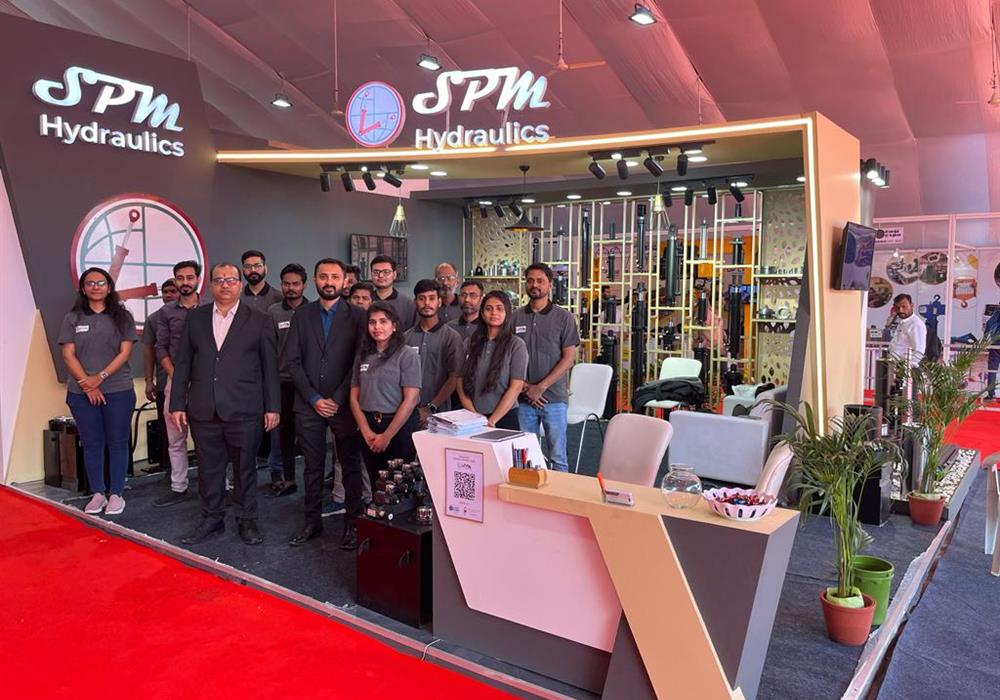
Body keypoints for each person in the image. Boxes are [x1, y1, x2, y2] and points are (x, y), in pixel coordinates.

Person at [169, 262, 280, 545]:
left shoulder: (259, 320)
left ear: (240, 285)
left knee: (245, 468)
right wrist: (177, 403)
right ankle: (212, 518)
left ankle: (247, 519)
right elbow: (183, 363)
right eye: (219, 280)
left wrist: (273, 407)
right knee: (208, 469)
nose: (225, 285)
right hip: (203, 407)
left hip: (245, 408)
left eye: (231, 280)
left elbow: (269, 367)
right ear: (210, 285)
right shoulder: (195, 318)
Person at [284, 258, 368, 549]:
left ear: (345, 281)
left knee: (350, 466)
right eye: (323, 276)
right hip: (308, 404)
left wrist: (337, 398)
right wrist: (314, 398)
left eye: (334, 276)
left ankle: (352, 524)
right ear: (315, 280)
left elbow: (359, 361)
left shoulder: (358, 316)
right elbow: (292, 361)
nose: (328, 282)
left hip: (344, 405)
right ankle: (312, 522)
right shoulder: (302, 314)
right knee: (312, 467)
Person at [58, 268, 138, 515]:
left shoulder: (122, 316)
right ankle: (97, 494)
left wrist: (99, 378)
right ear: (83, 289)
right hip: (81, 393)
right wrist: (87, 384)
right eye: (90, 283)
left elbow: (125, 353)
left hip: (118, 389)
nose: (95, 287)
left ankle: (116, 494)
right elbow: (68, 354)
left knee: (117, 442)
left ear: (109, 287)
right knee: (92, 443)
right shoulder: (73, 318)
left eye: (101, 283)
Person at [513, 263, 580, 472]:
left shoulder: (564, 318)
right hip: (523, 398)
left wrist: (540, 387)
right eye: (530, 280)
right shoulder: (515, 317)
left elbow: (569, 358)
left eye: (540, 281)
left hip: (554, 399)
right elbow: (508, 358)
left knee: (558, 457)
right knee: (526, 458)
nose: (535, 285)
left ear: (550, 285)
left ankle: (560, 493)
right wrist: (527, 388)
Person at [350, 302, 422, 491]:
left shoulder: (407, 354)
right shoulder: (363, 355)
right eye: (372, 322)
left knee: (398, 486)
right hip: (369, 427)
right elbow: (354, 397)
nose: (377, 327)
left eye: (383, 321)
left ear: (394, 325)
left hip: (398, 428)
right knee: (377, 483)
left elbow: (410, 400)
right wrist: (366, 431)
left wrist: (387, 436)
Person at [153, 260, 207, 508]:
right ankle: (178, 487)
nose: (185, 282)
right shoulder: (166, 313)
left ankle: (219, 485)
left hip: (206, 382)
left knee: (209, 438)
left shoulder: (211, 307)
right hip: (175, 380)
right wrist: (177, 377)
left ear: (198, 279)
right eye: (180, 278)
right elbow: (161, 348)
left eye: (189, 277)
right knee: (176, 439)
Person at [266, 263, 308, 496]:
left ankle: (311, 482)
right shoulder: (273, 312)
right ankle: (286, 478)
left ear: (304, 285)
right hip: (281, 382)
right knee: (283, 433)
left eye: (296, 284)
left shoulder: (313, 310)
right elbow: (268, 349)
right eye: (286, 284)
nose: (291, 288)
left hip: (308, 385)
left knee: (308, 435)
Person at [457, 290, 528, 429]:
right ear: (482, 313)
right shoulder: (470, 342)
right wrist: (475, 417)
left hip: (504, 417)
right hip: (473, 418)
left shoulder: (516, 344)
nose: (494, 313)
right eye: (488, 309)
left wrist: (492, 420)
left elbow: (516, 386)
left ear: (507, 312)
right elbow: (459, 381)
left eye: (499, 309)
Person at [405, 279, 464, 424]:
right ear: (415, 302)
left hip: (441, 414)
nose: (427, 303)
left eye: (431, 298)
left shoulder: (452, 337)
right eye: (421, 298)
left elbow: (454, 378)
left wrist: (431, 407)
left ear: (439, 302)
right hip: (408, 413)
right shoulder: (405, 338)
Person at [142, 279, 178, 470]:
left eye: (173, 291)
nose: (169, 295)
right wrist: (149, 380)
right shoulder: (153, 319)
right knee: (167, 430)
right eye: (165, 292)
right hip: (166, 383)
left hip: (196, 384)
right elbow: (149, 351)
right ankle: (168, 470)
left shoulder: (196, 314)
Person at [369, 254, 415, 328]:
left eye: (386, 272)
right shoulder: (366, 300)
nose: (381, 275)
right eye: (376, 272)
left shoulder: (407, 304)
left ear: (394, 274)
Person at [887, 293, 926, 367]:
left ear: (912, 305)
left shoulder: (915, 324)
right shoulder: (903, 321)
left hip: (904, 367)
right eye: (897, 307)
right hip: (895, 364)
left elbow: (919, 351)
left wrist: (907, 367)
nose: (900, 310)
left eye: (904, 307)